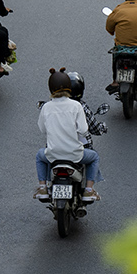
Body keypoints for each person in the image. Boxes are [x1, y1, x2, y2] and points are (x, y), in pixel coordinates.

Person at [36, 67, 102, 199]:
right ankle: (89, 190)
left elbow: (42, 129)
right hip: (75, 155)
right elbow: (83, 130)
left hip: (52, 155)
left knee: (39, 156)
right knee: (94, 157)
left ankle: (43, 188)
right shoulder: (76, 106)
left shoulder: (46, 107)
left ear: (51, 88)